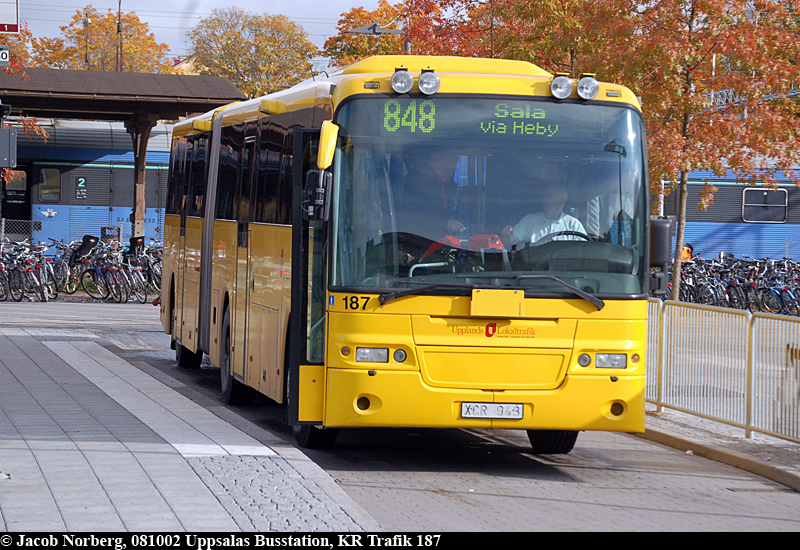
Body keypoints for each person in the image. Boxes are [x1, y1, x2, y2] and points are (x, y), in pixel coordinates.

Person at [399, 152, 466, 237]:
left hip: (441, 238)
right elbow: (414, 215)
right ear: (436, 164)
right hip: (420, 238)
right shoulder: (417, 183)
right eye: (448, 169)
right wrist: (444, 223)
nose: (451, 174)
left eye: (453, 170)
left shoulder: (451, 186)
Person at [502, 181, 586, 247]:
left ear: (561, 202)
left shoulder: (573, 224)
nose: (545, 199)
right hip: (535, 267)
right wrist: (508, 234)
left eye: (549, 196)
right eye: (545, 195)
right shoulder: (530, 220)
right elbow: (512, 239)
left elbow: (584, 249)